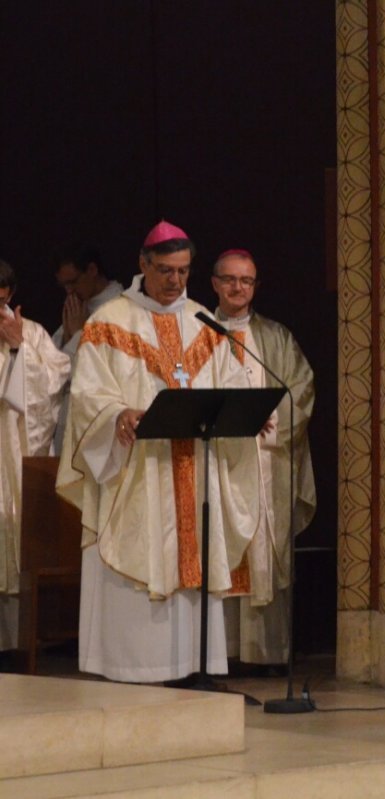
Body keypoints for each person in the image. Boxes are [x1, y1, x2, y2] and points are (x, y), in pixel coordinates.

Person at [56, 221, 260, 683]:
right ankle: (135, 666)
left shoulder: (203, 322)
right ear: (142, 265)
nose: (176, 281)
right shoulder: (110, 322)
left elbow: (226, 378)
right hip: (138, 470)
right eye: (166, 270)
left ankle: (193, 667)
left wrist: (244, 412)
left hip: (194, 467)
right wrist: (116, 415)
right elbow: (88, 393)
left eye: (184, 271)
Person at [211, 249, 316, 669]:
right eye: (231, 280)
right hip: (218, 461)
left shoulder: (275, 337)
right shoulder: (198, 331)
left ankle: (265, 653)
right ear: (215, 283)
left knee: (264, 552)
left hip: (264, 457)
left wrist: (270, 420)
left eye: (247, 281)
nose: (239, 288)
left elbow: (301, 387)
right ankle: (223, 652)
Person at [0, 260, 71, 651]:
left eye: (3, 297)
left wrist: (17, 348)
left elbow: (54, 383)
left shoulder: (33, 334)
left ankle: (14, 646)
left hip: (16, 456)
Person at [50, 243, 123, 454]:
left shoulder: (118, 309)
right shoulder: (78, 308)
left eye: (73, 282)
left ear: (92, 270)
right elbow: (55, 370)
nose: (69, 291)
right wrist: (67, 337)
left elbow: (98, 370)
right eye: (64, 285)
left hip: (102, 421)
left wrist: (77, 337)